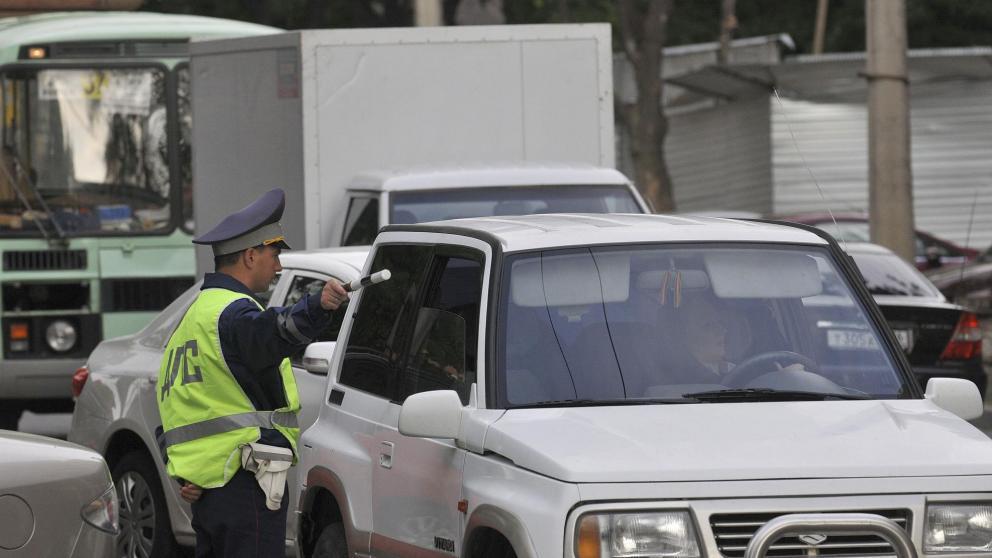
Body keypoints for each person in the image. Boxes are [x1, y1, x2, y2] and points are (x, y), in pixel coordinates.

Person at [155, 188, 349, 558]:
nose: (278, 267)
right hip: (245, 484)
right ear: (250, 255)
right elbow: (272, 333)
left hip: (209, 489)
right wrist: (320, 306)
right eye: (274, 255)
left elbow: (172, 408)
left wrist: (185, 472)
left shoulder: (192, 321)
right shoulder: (233, 314)